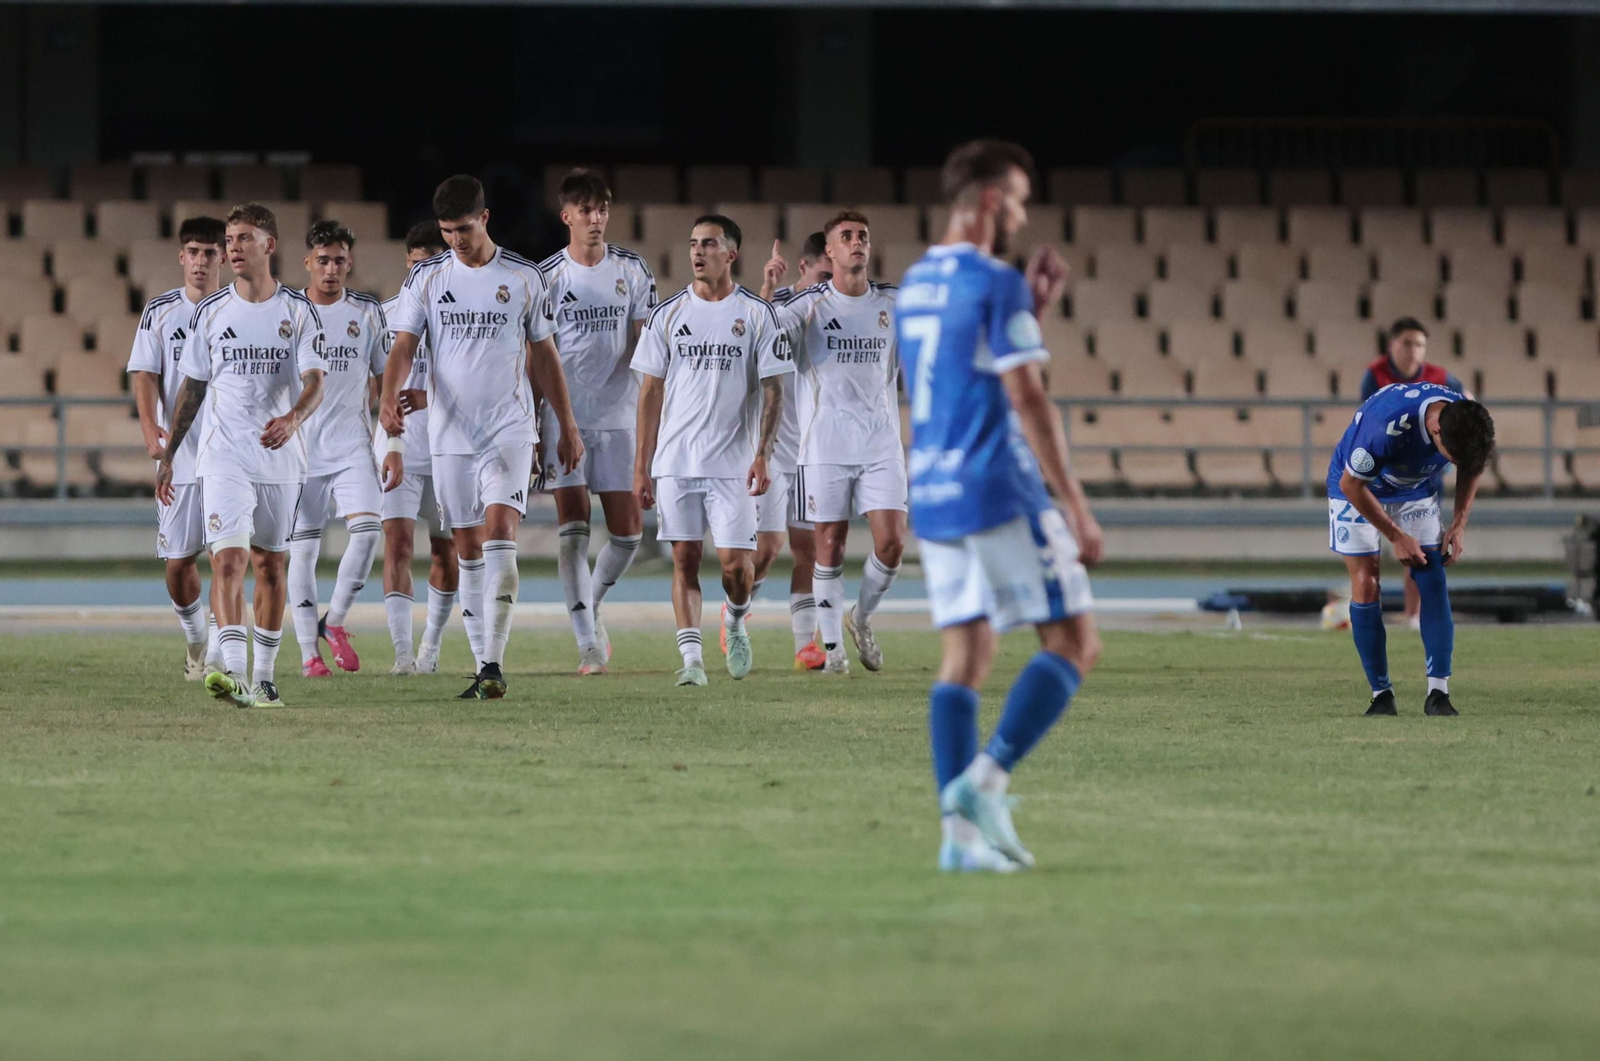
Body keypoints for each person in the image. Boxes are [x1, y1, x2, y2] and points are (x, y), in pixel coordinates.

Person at [898, 140, 1103, 873]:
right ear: (989, 200)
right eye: (1016, 200)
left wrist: (1031, 312)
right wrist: (1075, 502)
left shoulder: (915, 282)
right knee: (1074, 641)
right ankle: (984, 783)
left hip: (934, 488)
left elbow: (961, 368)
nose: (1021, 214)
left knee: (967, 655)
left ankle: (958, 844)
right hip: (995, 483)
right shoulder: (995, 279)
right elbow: (1027, 396)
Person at [380, 174, 583, 700]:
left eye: (464, 229)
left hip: (509, 430)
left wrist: (565, 424)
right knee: (466, 549)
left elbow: (545, 355)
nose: (456, 240)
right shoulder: (427, 278)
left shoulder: (523, 277)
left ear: (484, 218)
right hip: (450, 436)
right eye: (447, 231)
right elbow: (403, 345)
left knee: (499, 537)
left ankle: (493, 663)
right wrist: (387, 397)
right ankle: (480, 665)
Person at [156, 203, 328, 708]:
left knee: (270, 566)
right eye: (230, 239)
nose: (233, 248)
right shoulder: (211, 312)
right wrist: (169, 455)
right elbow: (192, 388)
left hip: (280, 459)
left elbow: (315, 381)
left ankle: (266, 678)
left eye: (244, 238)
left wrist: (293, 418)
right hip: (223, 456)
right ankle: (231, 672)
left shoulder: (298, 311)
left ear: (269, 245)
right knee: (227, 560)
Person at [632, 214, 792, 687]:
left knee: (736, 567)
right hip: (677, 460)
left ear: (731, 254)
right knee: (683, 559)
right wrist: (641, 465)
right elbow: (650, 393)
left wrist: (763, 453)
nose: (698, 252)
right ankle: (692, 661)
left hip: (733, 463)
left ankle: (735, 620)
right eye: (693, 244)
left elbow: (774, 391)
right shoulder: (667, 315)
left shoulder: (757, 315)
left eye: (709, 244)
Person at [766, 212, 905, 675]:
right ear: (830, 250)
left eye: (862, 235)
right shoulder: (808, 306)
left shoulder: (893, 303)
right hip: (825, 445)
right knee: (829, 548)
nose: (856, 242)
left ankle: (860, 618)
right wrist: (768, 290)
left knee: (892, 544)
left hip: (881, 443)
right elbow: (761, 336)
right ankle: (833, 650)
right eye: (846, 236)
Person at [535, 169, 656, 675]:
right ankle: (587, 644)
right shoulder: (547, 277)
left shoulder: (632, 270)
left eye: (602, 209)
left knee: (629, 534)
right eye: (586, 210)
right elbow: (537, 356)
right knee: (575, 528)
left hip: (619, 416)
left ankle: (592, 602)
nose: (596, 218)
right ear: (566, 216)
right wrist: (545, 424)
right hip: (565, 419)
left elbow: (647, 344)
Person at [1327, 381, 1495, 717]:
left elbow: (1471, 465)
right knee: (1366, 583)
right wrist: (1395, 536)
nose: (1457, 464)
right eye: (1453, 459)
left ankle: (1438, 694)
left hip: (1414, 489)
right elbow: (1351, 484)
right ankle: (1381, 695)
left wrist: (1459, 523)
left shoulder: (1465, 419)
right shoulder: (1384, 427)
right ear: (1435, 431)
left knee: (1432, 575)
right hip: (1357, 487)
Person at [285, 221, 389, 678]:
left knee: (367, 534)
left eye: (339, 261)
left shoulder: (367, 312)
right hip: (300, 452)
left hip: (351, 447)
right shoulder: (287, 310)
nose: (330, 269)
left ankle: (336, 621)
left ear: (350, 263)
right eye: (322, 260)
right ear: (307, 262)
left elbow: (386, 375)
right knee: (303, 553)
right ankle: (309, 655)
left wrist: (391, 435)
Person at [126, 215, 225, 680]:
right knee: (178, 565)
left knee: (228, 558)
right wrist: (151, 429)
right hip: (179, 457)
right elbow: (145, 373)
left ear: (223, 256)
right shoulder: (160, 311)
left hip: (229, 455)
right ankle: (196, 638)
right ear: (181, 256)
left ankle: (223, 656)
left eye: (210, 252)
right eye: (194, 252)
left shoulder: (239, 308)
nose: (201, 261)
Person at [375, 223, 459, 676]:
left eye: (426, 265)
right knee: (398, 544)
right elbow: (374, 382)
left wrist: (433, 397)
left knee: (447, 552)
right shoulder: (386, 316)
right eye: (412, 265)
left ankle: (432, 645)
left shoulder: (461, 314)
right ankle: (402, 653)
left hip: (448, 447)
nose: (417, 274)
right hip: (400, 447)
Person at [1358, 318, 1468, 631]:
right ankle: (1367, 610)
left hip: (1425, 473)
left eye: (1419, 344)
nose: (1413, 350)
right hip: (1384, 471)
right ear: (1391, 345)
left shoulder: (1442, 378)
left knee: (1420, 543)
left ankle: (1414, 614)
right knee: (1368, 542)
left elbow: (1465, 413)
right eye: (1407, 343)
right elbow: (1369, 420)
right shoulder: (1375, 375)